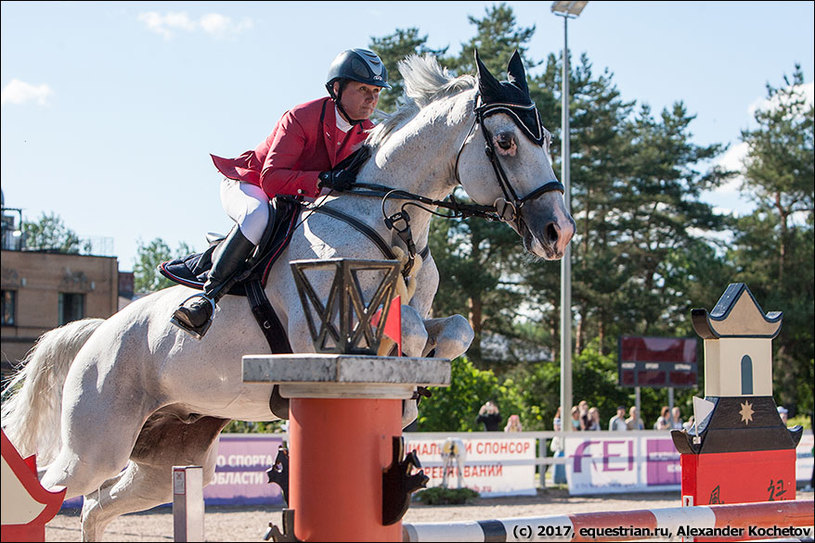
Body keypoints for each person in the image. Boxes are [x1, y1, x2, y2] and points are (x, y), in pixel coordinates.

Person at [171, 48, 391, 338]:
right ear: (336, 88)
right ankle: (207, 299)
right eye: (363, 89)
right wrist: (325, 178)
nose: (371, 98)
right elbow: (272, 180)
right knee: (257, 216)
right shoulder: (301, 117)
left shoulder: (368, 132)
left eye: (376, 91)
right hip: (250, 182)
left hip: (297, 198)